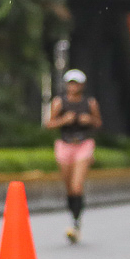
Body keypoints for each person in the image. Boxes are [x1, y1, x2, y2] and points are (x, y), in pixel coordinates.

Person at [46, 69, 101, 242]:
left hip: (83, 144)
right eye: (71, 83)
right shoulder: (59, 102)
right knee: (69, 187)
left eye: (76, 83)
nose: (73, 87)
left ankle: (76, 222)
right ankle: (73, 213)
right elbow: (49, 123)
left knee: (77, 186)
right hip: (65, 145)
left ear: (82, 85)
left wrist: (89, 120)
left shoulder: (89, 102)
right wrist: (64, 120)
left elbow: (98, 122)